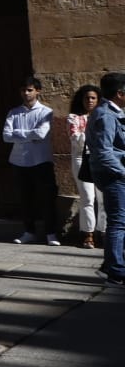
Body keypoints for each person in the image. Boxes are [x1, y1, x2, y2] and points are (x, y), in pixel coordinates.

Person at [6, 77, 58, 245]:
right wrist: (30, 135)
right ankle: (29, 231)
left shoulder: (46, 112)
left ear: (38, 91)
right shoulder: (14, 112)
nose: (26, 93)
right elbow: (6, 136)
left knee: (46, 198)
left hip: (41, 160)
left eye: (29, 90)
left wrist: (19, 134)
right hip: (19, 161)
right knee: (25, 198)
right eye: (23, 90)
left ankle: (51, 233)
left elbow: (42, 133)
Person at [88, 73, 125, 286]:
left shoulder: (112, 113)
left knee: (121, 221)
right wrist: (122, 171)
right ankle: (115, 272)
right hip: (113, 176)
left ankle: (111, 265)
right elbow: (104, 152)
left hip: (114, 174)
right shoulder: (106, 115)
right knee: (118, 223)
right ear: (120, 93)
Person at [69, 85, 104, 250]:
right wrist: (95, 133)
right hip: (81, 159)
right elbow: (77, 141)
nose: (89, 101)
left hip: (101, 159)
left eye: (93, 98)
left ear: (98, 100)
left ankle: (102, 232)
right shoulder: (74, 118)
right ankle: (88, 233)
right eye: (86, 98)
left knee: (103, 198)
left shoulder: (104, 116)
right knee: (87, 198)